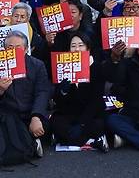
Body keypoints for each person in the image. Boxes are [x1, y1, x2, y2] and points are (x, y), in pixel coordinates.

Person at [50, 32, 108, 151]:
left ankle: (69, 139)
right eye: (73, 46)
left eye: (81, 45)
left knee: (99, 124)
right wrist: (62, 92)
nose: (77, 49)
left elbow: (96, 100)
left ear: (88, 48)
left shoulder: (97, 67)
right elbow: (58, 101)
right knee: (56, 122)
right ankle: (91, 142)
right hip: (70, 114)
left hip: (90, 115)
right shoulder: (62, 66)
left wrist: (82, 124)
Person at [0, 29, 51, 157]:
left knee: (44, 126)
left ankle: (31, 141)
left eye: (18, 47)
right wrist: (0, 89)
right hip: (7, 114)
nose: (13, 51)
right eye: (10, 47)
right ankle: (30, 144)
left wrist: (36, 116)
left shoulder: (37, 65)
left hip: (30, 112)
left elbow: (42, 92)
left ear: (26, 49)